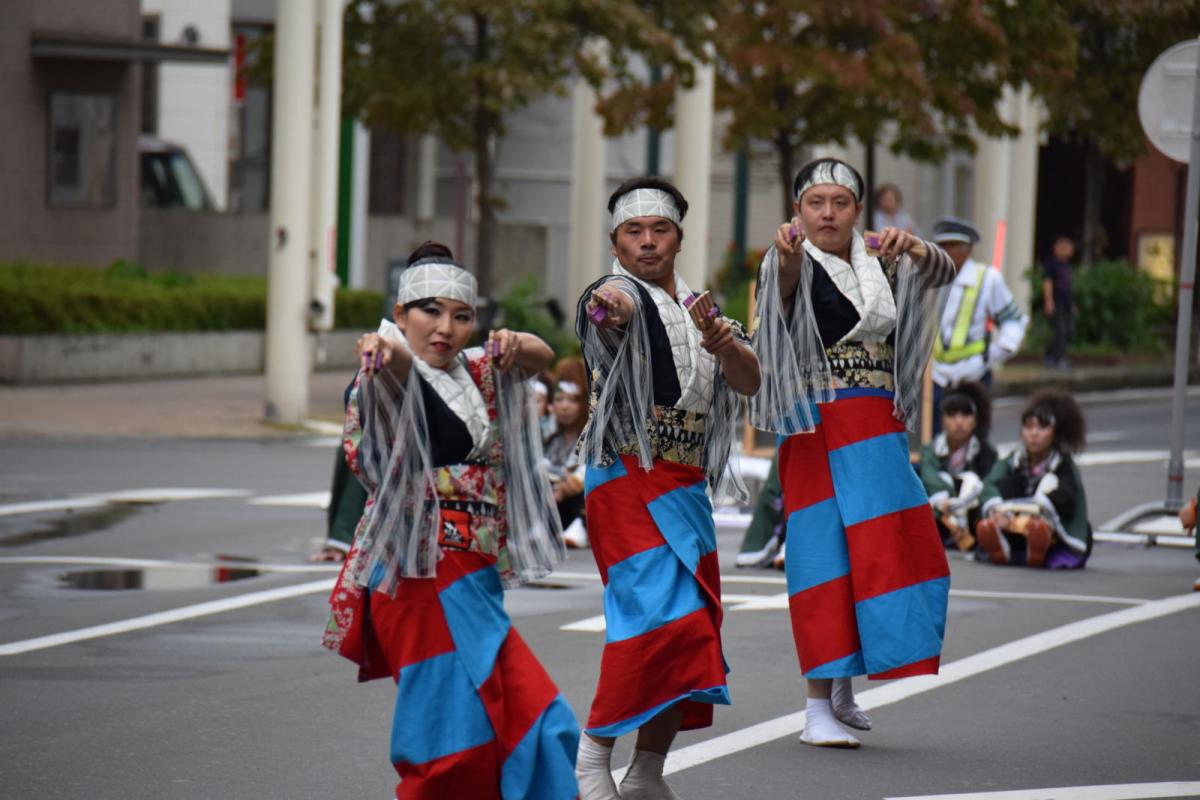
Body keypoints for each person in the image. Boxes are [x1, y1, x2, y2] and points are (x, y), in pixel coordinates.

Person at [322, 243, 579, 799]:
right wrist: (385, 354)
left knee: (541, 722)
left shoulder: (480, 371)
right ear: (400, 314)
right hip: (417, 576)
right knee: (453, 748)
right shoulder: (380, 378)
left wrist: (515, 341)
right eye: (430, 311)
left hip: (473, 576)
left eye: (461, 316)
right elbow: (395, 375)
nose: (445, 328)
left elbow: (540, 356)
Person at [750, 157, 958, 749]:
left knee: (887, 550)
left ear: (857, 211)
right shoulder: (787, 258)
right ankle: (815, 704)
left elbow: (943, 271)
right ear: (797, 211)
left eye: (840, 203)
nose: (828, 214)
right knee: (823, 559)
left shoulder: (880, 258)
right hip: (816, 425)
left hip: (877, 423)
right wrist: (787, 256)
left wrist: (915, 246)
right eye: (815, 203)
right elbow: (782, 283)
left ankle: (842, 686)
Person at [573, 176, 761, 800]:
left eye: (660, 230)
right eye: (634, 232)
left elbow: (750, 381)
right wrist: (611, 308)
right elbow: (608, 312)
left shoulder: (703, 311)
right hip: (625, 476)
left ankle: (646, 771)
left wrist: (725, 344)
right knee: (654, 621)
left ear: (679, 238)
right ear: (616, 244)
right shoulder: (614, 293)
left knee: (696, 629)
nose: (648, 242)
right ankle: (591, 756)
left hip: (685, 486)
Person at [929, 216, 1028, 434]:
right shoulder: (932, 277)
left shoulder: (988, 278)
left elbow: (1013, 320)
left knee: (973, 439)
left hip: (973, 374)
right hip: (937, 375)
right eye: (942, 245)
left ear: (967, 249)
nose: (945, 251)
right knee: (935, 439)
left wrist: (995, 353)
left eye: (952, 245)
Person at [977, 391, 1091, 569]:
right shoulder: (1013, 460)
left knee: (1049, 483)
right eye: (1028, 427)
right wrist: (999, 512)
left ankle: (1038, 546)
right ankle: (1005, 544)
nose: (1034, 434)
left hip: (1052, 527)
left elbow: (1066, 500)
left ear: (1056, 432)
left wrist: (1032, 514)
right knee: (1005, 485)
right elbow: (989, 484)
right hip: (1012, 521)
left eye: (1042, 427)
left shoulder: (1063, 465)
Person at [918, 381, 998, 552]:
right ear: (942, 420)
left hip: (970, 512)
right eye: (952, 415)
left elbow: (988, 485)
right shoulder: (930, 449)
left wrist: (960, 503)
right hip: (940, 508)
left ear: (975, 420)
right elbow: (929, 477)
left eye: (965, 415)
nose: (959, 421)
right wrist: (946, 501)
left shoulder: (986, 452)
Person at [543, 358, 588, 548]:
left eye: (572, 400)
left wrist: (572, 483)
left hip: (576, 500)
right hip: (553, 498)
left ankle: (581, 527)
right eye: (559, 399)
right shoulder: (548, 433)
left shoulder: (590, 435)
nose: (565, 406)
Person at [1043, 236, 1076, 370]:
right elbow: (1047, 283)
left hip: (1067, 302)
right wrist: (1049, 301)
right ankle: (1060, 359)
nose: (1065, 250)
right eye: (1062, 247)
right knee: (1060, 331)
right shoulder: (1052, 265)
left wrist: (1073, 304)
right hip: (1057, 302)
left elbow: (1069, 286)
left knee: (1069, 331)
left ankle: (1050, 354)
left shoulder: (1068, 266)